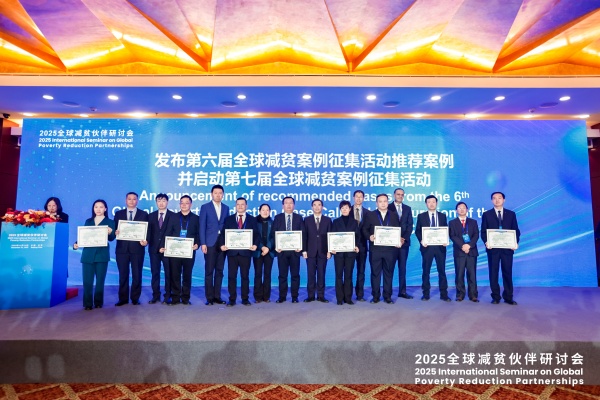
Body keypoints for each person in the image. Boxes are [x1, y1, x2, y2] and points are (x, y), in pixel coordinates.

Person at [73, 199, 116, 310]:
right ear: (93, 209)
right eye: (96, 207)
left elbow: (112, 238)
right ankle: (87, 304)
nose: (98, 209)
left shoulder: (110, 222)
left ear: (105, 209)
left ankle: (98, 302)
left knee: (100, 281)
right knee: (87, 281)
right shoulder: (88, 221)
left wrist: (111, 232)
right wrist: (76, 244)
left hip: (102, 255)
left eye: (101, 207)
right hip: (88, 255)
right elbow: (84, 236)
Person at [481, 192, 520, 305]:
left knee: (507, 272)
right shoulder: (487, 214)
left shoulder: (511, 214)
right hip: (493, 249)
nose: (497, 200)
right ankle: (496, 297)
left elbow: (516, 230)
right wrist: (487, 242)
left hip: (507, 249)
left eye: (499, 198)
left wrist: (515, 243)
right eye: (494, 198)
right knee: (493, 273)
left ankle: (508, 297)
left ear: (504, 200)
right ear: (491, 200)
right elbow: (483, 232)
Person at [219, 197, 259, 307]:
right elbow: (223, 234)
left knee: (245, 277)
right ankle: (232, 299)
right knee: (232, 277)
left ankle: (245, 299)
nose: (240, 206)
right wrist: (222, 245)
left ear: (246, 206)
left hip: (246, 252)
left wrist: (255, 245)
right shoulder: (229, 219)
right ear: (235, 206)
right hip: (232, 253)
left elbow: (256, 235)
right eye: (238, 204)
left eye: (242, 204)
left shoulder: (252, 219)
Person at [362, 193, 401, 304]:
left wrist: (398, 240)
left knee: (389, 273)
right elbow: (364, 229)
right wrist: (369, 236)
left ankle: (387, 296)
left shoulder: (394, 215)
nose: (383, 203)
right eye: (380, 201)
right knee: (375, 274)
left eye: (385, 201)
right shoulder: (370, 215)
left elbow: (397, 230)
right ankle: (375, 296)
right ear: (376, 203)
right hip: (375, 250)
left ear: (388, 202)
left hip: (390, 250)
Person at [161, 195, 199, 305]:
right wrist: (165, 245)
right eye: (182, 203)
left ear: (191, 204)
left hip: (189, 251)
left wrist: (197, 244)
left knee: (187, 275)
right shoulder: (173, 217)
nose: (184, 205)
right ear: (179, 204)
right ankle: (175, 298)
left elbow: (198, 234)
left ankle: (186, 298)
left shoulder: (196, 218)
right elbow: (168, 232)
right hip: (175, 251)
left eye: (187, 203)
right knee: (175, 275)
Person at [114, 192, 149, 306]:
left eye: (134, 199)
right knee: (123, 275)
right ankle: (123, 299)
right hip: (122, 250)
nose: (132, 201)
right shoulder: (118, 214)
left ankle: (135, 298)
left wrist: (146, 241)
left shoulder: (144, 214)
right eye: (129, 199)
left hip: (137, 249)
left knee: (137, 275)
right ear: (126, 200)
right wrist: (115, 232)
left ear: (137, 201)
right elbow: (114, 230)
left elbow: (148, 231)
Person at [415, 195, 450, 302]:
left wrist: (445, 239)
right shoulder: (421, 216)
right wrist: (421, 240)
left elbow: (445, 230)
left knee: (442, 271)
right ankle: (425, 294)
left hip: (440, 248)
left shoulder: (442, 216)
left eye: (433, 202)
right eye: (429, 202)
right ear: (426, 204)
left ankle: (444, 294)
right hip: (427, 248)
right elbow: (417, 231)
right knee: (426, 271)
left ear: (436, 203)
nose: (431, 204)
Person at [271, 196, 304, 303]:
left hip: (295, 252)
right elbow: (273, 233)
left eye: (291, 203)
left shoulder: (299, 218)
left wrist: (300, 247)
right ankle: (282, 296)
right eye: (286, 203)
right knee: (282, 275)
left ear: (294, 205)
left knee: (295, 275)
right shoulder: (278, 217)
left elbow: (303, 234)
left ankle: (295, 297)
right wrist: (276, 246)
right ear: (283, 205)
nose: (289, 205)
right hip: (282, 252)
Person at [200, 185, 229, 306]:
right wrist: (203, 243)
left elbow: (227, 226)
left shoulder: (226, 208)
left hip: (222, 243)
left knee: (220, 271)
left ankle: (217, 296)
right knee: (209, 271)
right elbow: (202, 226)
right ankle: (209, 297)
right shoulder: (205, 207)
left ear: (223, 195)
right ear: (211, 194)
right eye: (215, 193)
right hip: (210, 242)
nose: (218, 195)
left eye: (220, 193)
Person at [145, 193, 175, 304]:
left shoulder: (173, 216)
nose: (161, 203)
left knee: (168, 273)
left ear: (167, 202)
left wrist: (165, 246)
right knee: (155, 273)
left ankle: (168, 296)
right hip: (153, 250)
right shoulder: (150, 216)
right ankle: (155, 295)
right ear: (156, 202)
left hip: (168, 250)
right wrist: (146, 241)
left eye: (163, 201)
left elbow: (174, 233)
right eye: (159, 201)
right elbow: (148, 232)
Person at [302, 199, 332, 303]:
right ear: (312, 207)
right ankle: (310, 296)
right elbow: (304, 236)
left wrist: (329, 251)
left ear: (322, 207)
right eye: (314, 205)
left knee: (321, 274)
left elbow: (330, 236)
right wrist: (304, 250)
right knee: (310, 275)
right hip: (310, 251)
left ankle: (321, 296)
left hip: (323, 251)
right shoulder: (307, 220)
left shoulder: (328, 220)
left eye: (319, 205)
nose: (317, 207)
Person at [449, 201, 479, 302]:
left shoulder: (473, 222)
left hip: (471, 251)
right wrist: (462, 245)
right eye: (459, 208)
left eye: (463, 208)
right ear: (456, 210)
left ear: (467, 210)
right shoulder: (452, 223)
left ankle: (473, 295)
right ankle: (460, 294)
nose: (461, 209)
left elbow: (476, 235)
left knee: (472, 274)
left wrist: (469, 245)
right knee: (459, 274)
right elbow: (452, 236)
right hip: (459, 252)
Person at [331, 200, 360, 305]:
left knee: (348, 275)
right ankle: (339, 299)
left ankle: (348, 298)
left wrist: (356, 245)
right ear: (340, 209)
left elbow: (357, 236)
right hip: (338, 253)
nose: (344, 210)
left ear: (350, 209)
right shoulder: (335, 221)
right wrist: (332, 248)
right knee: (339, 276)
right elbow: (332, 236)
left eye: (346, 208)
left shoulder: (354, 222)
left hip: (350, 253)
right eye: (342, 208)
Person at [389, 188, 414, 299]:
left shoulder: (407, 208)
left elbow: (410, 225)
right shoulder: (388, 207)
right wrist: (394, 238)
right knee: (389, 268)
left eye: (402, 195)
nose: (400, 196)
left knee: (402, 268)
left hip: (404, 244)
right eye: (398, 194)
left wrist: (403, 238)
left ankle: (402, 291)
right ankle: (388, 292)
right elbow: (386, 225)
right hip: (391, 244)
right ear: (394, 195)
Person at [351, 190, 371, 302]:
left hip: (363, 246)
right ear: (353, 198)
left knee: (361, 271)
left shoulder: (368, 213)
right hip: (349, 246)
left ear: (363, 198)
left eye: (361, 197)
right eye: (357, 196)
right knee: (348, 271)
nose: (358, 198)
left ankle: (360, 294)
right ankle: (347, 294)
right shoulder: (347, 210)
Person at [253, 203, 275, 303]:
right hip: (258, 251)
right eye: (263, 210)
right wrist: (262, 247)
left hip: (269, 252)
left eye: (267, 210)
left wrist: (268, 248)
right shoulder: (254, 222)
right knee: (258, 274)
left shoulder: (273, 222)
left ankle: (266, 296)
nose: (265, 212)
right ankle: (257, 297)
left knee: (267, 274)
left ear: (270, 212)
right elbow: (254, 236)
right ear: (259, 211)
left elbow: (274, 237)